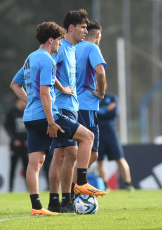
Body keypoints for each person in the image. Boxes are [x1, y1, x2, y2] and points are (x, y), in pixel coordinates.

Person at [10, 21, 106, 216]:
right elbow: (45, 93)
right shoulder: (48, 60)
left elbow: (14, 84)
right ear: (51, 40)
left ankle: (37, 207)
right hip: (47, 116)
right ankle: (81, 183)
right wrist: (52, 122)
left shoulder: (31, 58)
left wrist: (31, 102)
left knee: (35, 162)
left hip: (30, 117)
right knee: (88, 137)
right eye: (59, 41)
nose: (61, 45)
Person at [47, 9, 106, 214]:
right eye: (82, 27)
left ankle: (62, 201)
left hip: (72, 108)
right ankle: (71, 192)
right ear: (71, 28)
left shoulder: (73, 49)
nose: (85, 30)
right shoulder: (62, 48)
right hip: (61, 107)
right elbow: (47, 70)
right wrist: (62, 89)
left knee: (66, 155)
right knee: (66, 154)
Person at [72, 20, 107, 196]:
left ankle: (70, 192)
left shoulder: (74, 48)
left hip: (71, 105)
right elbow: (100, 71)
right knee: (92, 152)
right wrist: (101, 92)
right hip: (86, 105)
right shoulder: (92, 48)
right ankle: (75, 188)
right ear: (98, 35)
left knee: (80, 153)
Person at [97, 93, 134, 192]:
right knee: (99, 161)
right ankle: (105, 186)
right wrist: (105, 109)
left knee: (120, 159)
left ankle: (128, 184)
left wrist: (99, 111)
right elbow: (92, 114)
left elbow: (114, 113)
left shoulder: (112, 98)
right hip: (98, 134)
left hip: (111, 134)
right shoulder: (92, 98)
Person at [4, 98, 28, 192]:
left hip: (25, 146)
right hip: (15, 145)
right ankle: (10, 188)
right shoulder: (11, 113)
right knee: (13, 167)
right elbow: (7, 127)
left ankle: (29, 188)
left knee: (27, 168)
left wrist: (28, 140)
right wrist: (14, 139)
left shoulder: (26, 112)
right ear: (18, 101)